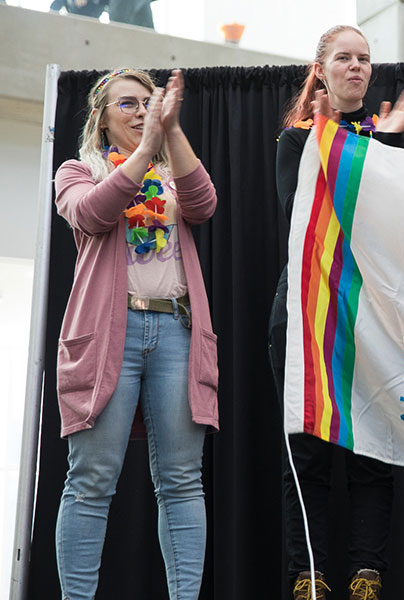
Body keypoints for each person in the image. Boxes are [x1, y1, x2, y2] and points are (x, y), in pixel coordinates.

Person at [53, 67, 218, 600]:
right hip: (107, 338)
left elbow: (204, 203)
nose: (141, 110)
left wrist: (169, 132)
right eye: (128, 103)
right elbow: (96, 213)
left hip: (174, 331)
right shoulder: (78, 171)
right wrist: (147, 148)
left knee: (182, 482)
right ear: (101, 117)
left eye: (149, 102)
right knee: (91, 482)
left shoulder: (171, 172)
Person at [268, 25, 404, 600]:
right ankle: (308, 579)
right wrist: (369, 142)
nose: (356, 67)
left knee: (371, 454)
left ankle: (366, 578)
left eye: (364, 59)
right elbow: (301, 210)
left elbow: (398, 217)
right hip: (305, 319)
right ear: (322, 70)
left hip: (370, 318)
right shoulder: (297, 141)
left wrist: (392, 143)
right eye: (344, 58)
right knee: (303, 455)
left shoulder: (386, 140)